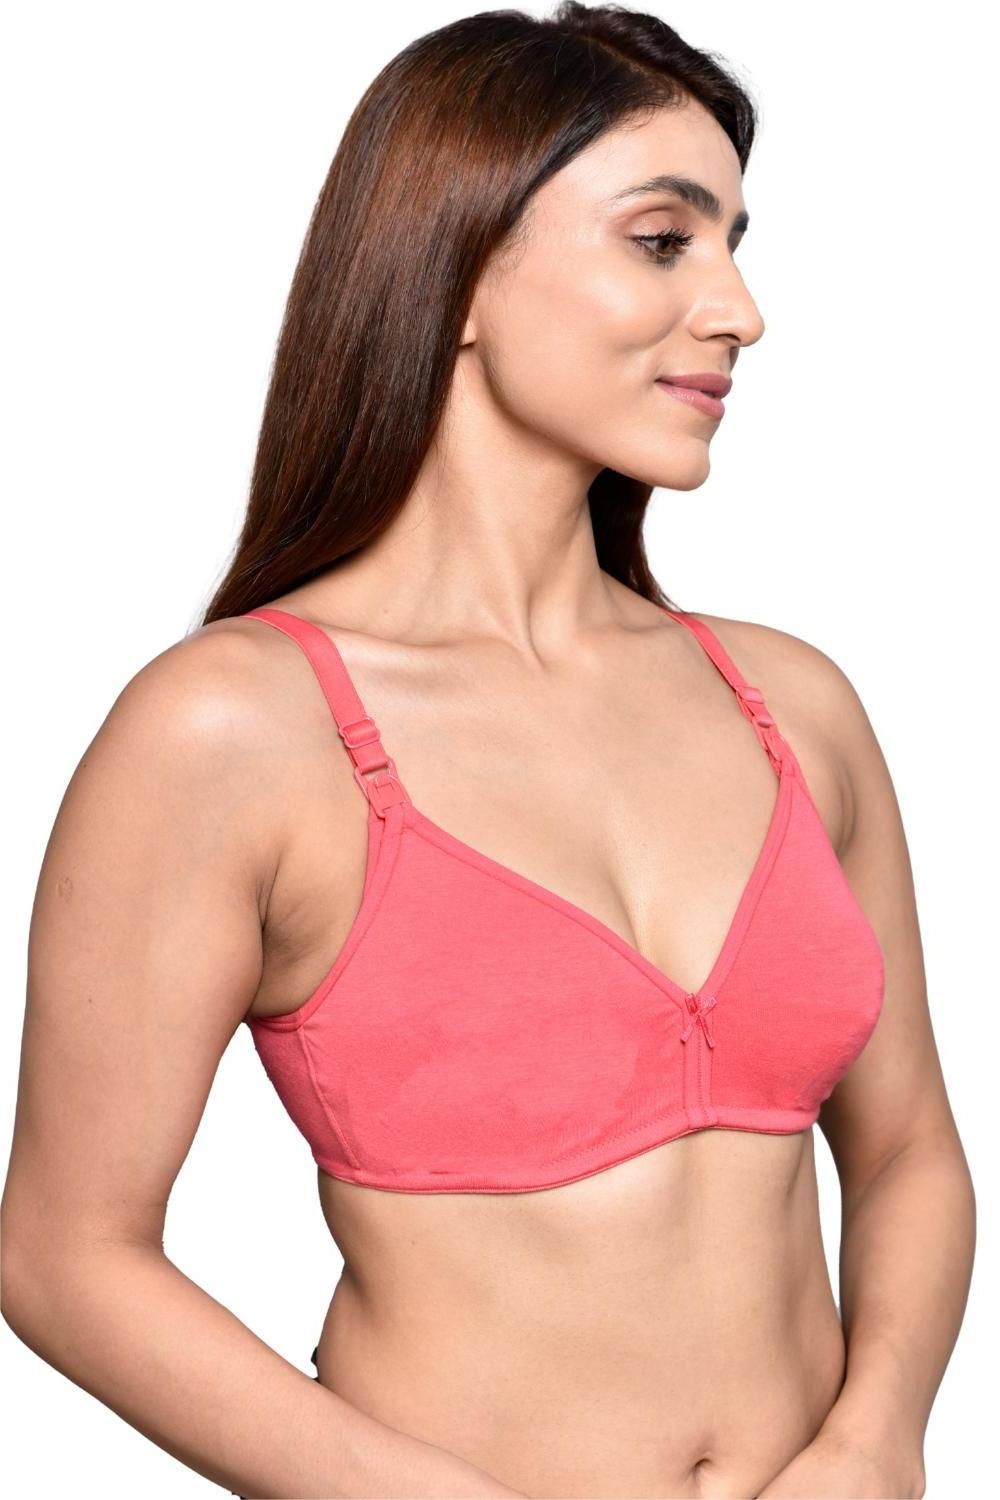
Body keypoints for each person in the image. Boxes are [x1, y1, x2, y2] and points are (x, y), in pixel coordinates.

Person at [1, 4, 974, 1497]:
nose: (741, 310)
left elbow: (909, 1150)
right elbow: (67, 1256)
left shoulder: (793, 705)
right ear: (456, 267)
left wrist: (878, 1438)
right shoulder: (235, 731)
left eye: (734, 245)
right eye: (665, 241)